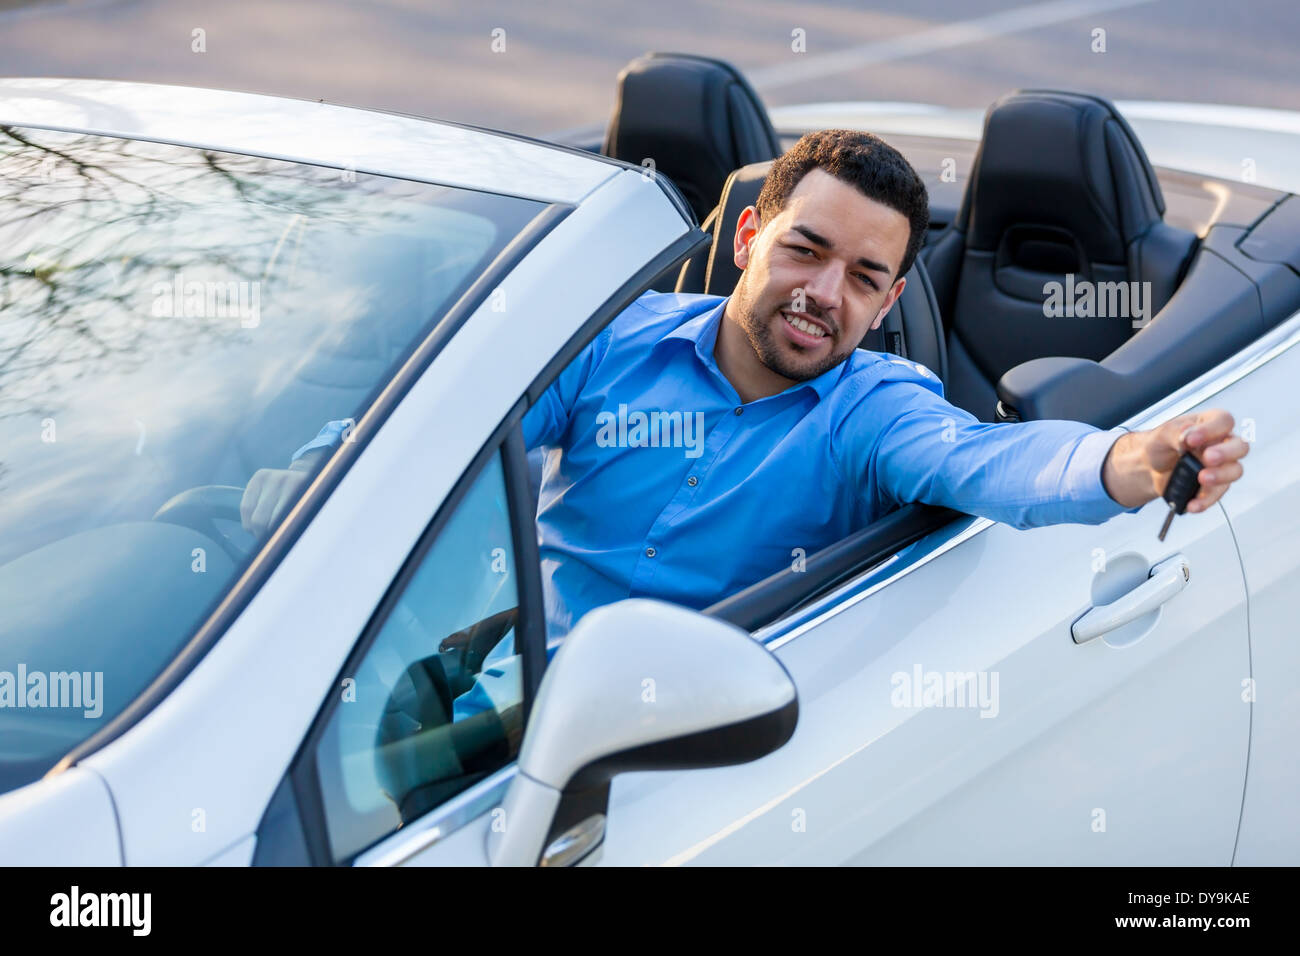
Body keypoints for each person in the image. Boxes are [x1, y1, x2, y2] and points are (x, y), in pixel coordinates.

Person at [242, 129, 1249, 642]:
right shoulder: (613, 338)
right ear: (746, 236)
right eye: (805, 251)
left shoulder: (875, 408)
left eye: (862, 278)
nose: (823, 296)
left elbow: (995, 460)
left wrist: (1132, 458)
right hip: (499, 682)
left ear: (891, 293)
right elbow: (466, 423)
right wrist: (322, 472)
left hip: (679, 749)